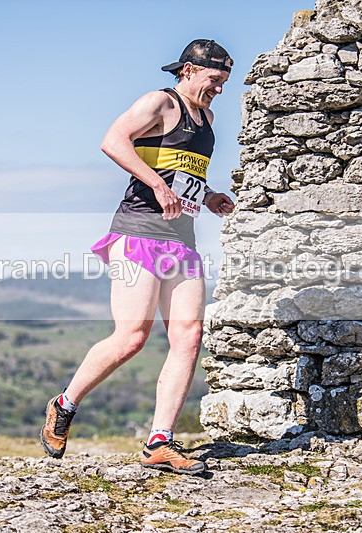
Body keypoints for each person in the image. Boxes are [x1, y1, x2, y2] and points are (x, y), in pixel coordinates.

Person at [41, 39, 235, 475]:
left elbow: (181, 171)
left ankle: (159, 442)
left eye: (224, 82)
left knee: (189, 335)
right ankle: (64, 404)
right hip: (138, 233)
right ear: (188, 70)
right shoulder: (159, 102)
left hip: (181, 238)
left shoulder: (206, 116)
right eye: (214, 80)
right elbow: (113, 141)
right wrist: (158, 187)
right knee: (132, 337)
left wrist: (208, 195)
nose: (220, 89)